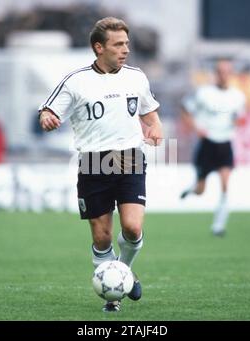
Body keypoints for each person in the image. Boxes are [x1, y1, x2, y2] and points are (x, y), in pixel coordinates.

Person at [38, 17, 163, 312]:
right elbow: (47, 110)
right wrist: (47, 118)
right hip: (94, 162)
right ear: (99, 47)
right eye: (118, 44)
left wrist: (155, 126)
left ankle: (122, 276)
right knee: (102, 236)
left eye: (127, 44)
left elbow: (149, 112)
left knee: (132, 228)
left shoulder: (136, 77)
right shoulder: (76, 80)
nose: (125, 50)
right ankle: (115, 294)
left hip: (130, 157)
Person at [180, 60, 246, 236]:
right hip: (207, 144)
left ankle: (218, 226)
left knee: (225, 184)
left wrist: (236, 122)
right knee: (201, 191)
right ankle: (192, 189)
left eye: (227, 72)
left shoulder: (237, 96)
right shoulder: (204, 93)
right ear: (216, 73)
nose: (223, 75)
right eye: (220, 71)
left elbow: (239, 117)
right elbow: (185, 109)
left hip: (225, 144)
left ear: (230, 74)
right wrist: (196, 128)